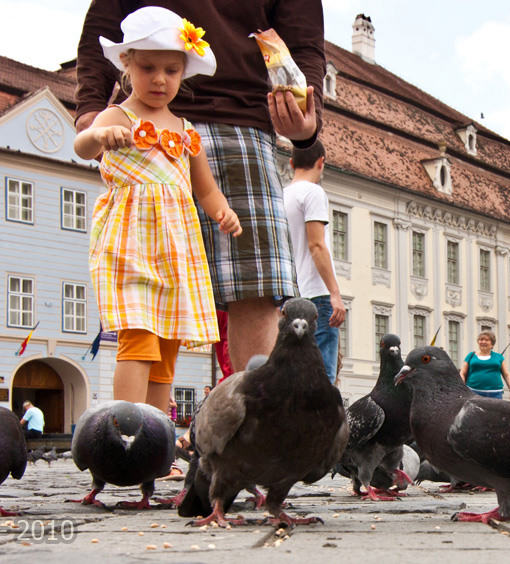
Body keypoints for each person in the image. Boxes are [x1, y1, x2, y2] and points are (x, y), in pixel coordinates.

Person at [76, 0, 325, 373]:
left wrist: (308, 113)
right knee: (147, 292)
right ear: (128, 63)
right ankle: (146, 426)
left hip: (241, 117)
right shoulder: (123, 111)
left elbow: (303, 40)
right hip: (142, 122)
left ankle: (255, 424)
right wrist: (91, 110)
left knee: (255, 289)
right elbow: (107, 17)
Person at [76, 7, 242, 415]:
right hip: (129, 247)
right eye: (148, 67)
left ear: (183, 72)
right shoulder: (119, 115)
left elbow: (205, 190)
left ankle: (154, 441)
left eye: (171, 70)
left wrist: (224, 212)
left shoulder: (186, 131)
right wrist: (99, 133)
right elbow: (82, 147)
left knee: (166, 348)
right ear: (126, 65)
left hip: (175, 255)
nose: (159, 79)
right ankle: (124, 433)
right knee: (139, 340)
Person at [283, 141, 345, 385]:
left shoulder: (282, 195)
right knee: (323, 377)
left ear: (291, 163)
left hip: (291, 296)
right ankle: (322, 424)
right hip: (317, 295)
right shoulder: (314, 193)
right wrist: (335, 293)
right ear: (321, 162)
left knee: (295, 375)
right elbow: (317, 246)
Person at [459, 331, 510, 402]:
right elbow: (462, 373)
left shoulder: (499, 357)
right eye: (481, 339)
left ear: (492, 344)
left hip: (495, 393)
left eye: (486, 340)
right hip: (473, 392)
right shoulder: (471, 355)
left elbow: (507, 375)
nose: (483, 342)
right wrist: (460, 389)